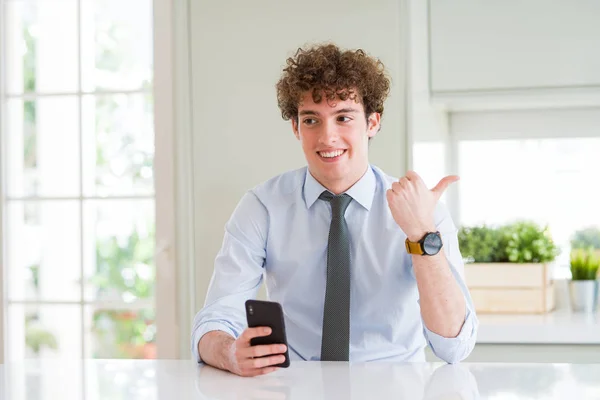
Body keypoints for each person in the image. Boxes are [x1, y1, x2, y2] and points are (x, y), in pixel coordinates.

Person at [191, 43, 478, 377]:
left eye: (343, 117)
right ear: (296, 128)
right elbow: (214, 319)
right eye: (312, 120)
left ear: (372, 123)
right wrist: (229, 353)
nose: (327, 137)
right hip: (295, 387)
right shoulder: (263, 207)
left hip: (395, 387)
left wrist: (422, 235)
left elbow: (453, 346)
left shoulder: (421, 209)